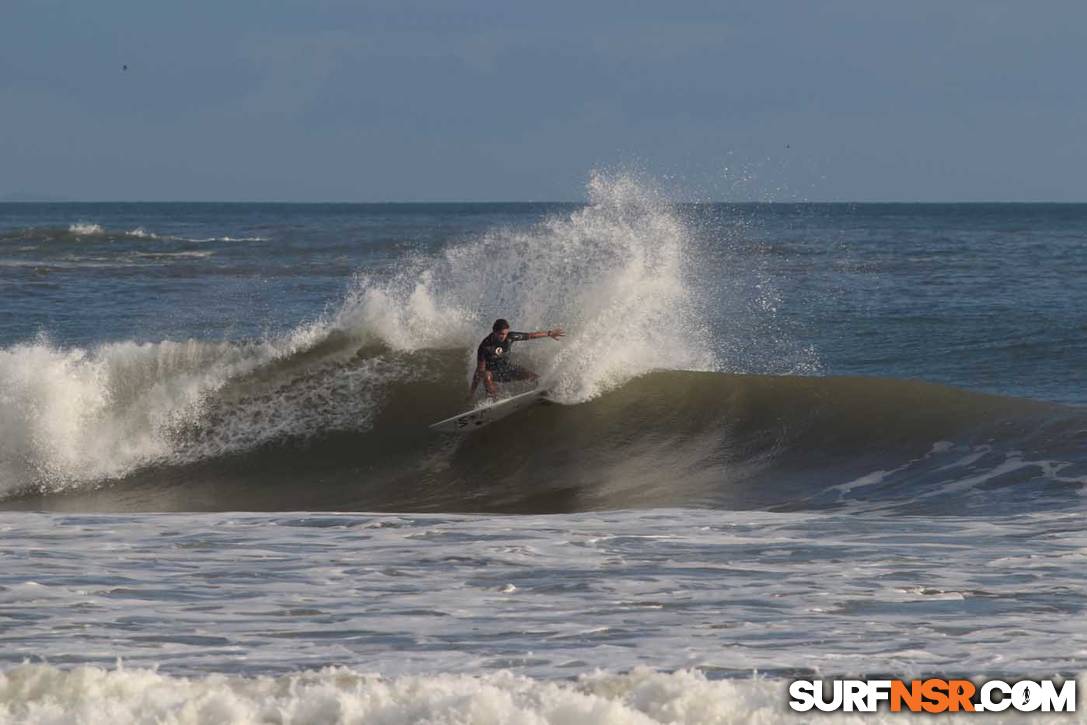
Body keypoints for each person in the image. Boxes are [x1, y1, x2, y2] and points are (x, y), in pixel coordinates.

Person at [469, 318, 565, 400]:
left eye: (506, 333)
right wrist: (472, 392)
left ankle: (547, 393)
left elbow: (530, 335)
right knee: (485, 374)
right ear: (494, 332)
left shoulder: (510, 337)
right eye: (501, 334)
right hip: (493, 374)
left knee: (532, 376)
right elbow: (479, 371)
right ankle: (494, 400)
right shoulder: (485, 346)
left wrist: (549, 333)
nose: (504, 336)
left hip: (507, 369)